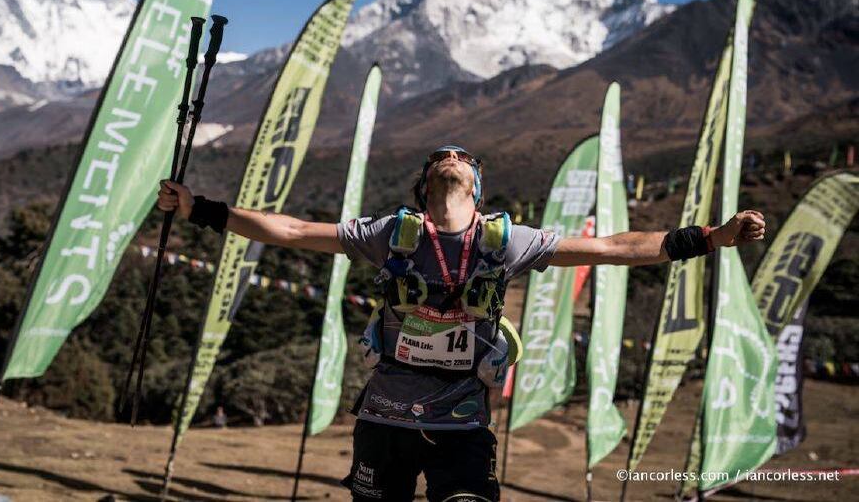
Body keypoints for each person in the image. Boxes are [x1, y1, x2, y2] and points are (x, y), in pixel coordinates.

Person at [156, 145, 765, 502]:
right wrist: (198, 209)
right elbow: (290, 231)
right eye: (441, 157)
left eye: (463, 157)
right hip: (384, 419)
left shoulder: (507, 241)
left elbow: (611, 247)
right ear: (426, 186)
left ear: (476, 187)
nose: (452, 156)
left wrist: (708, 238)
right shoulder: (390, 234)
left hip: (462, 420)